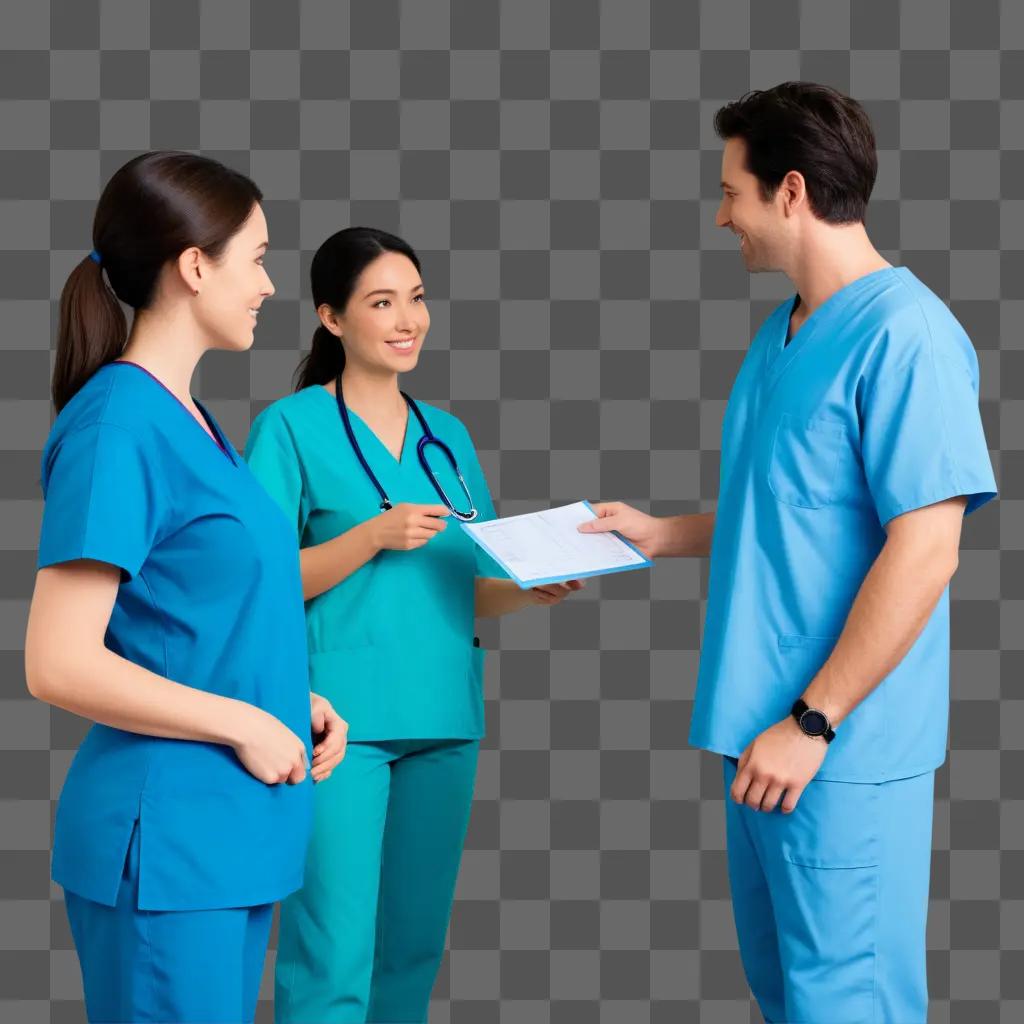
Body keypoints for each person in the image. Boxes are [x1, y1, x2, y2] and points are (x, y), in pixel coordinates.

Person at [580, 83, 997, 1023]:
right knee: (788, 998)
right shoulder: (785, 333)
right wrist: (659, 533)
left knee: (846, 1003)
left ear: (792, 192)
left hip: (831, 749)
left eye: (732, 191)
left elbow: (928, 550)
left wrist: (813, 722)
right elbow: (790, 512)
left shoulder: (907, 337)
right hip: (756, 741)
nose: (720, 213)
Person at [24, 151, 348, 1024]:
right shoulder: (119, 426)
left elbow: (186, 616)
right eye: (258, 257)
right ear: (195, 266)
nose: (271, 285)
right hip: (168, 841)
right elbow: (56, 663)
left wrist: (288, 695)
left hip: (229, 839)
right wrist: (244, 719)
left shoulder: (194, 422)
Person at [244, 226, 582, 1024]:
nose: (408, 321)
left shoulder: (447, 437)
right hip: (339, 725)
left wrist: (529, 591)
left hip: (444, 712)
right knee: (332, 952)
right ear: (331, 318)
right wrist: (369, 536)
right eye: (382, 302)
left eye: (418, 299)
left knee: (413, 948)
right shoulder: (289, 429)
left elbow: (464, 583)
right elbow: (257, 587)